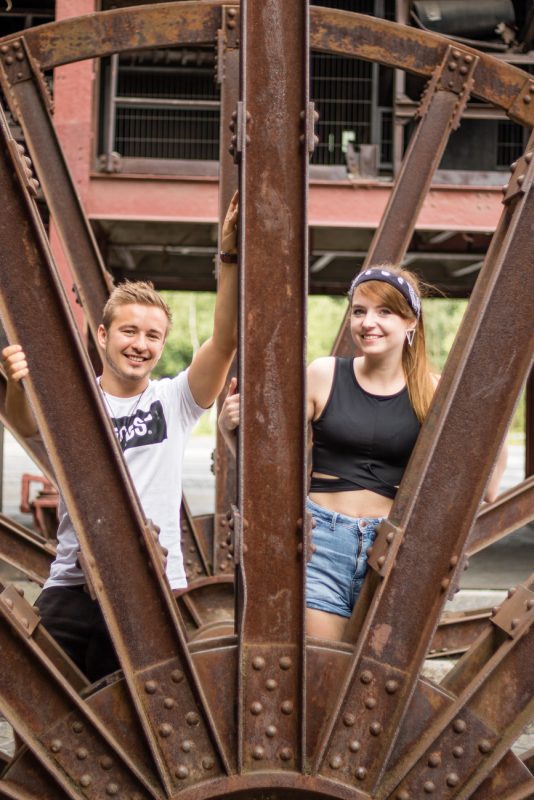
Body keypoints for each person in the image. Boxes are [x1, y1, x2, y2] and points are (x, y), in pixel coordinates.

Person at [2, 194, 239, 680]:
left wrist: (230, 258)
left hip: (153, 590)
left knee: (141, 724)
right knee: (44, 711)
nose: (141, 345)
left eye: (153, 336)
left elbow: (227, 338)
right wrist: (14, 383)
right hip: (72, 583)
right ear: (104, 334)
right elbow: (25, 425)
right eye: (129, 331)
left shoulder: (175, 402)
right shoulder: (74, 403)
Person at [218, 265, 508, 641]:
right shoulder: (324, 374)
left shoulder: (432, 392)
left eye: (383, 311)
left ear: (411, 322)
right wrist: (229, 431)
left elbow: (487, 484)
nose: (368, 322)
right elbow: (267, 467)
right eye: (359, 311)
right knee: (322, 676)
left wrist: (492, 440)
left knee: (373, 686)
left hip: (391, 553)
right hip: (320, 544)